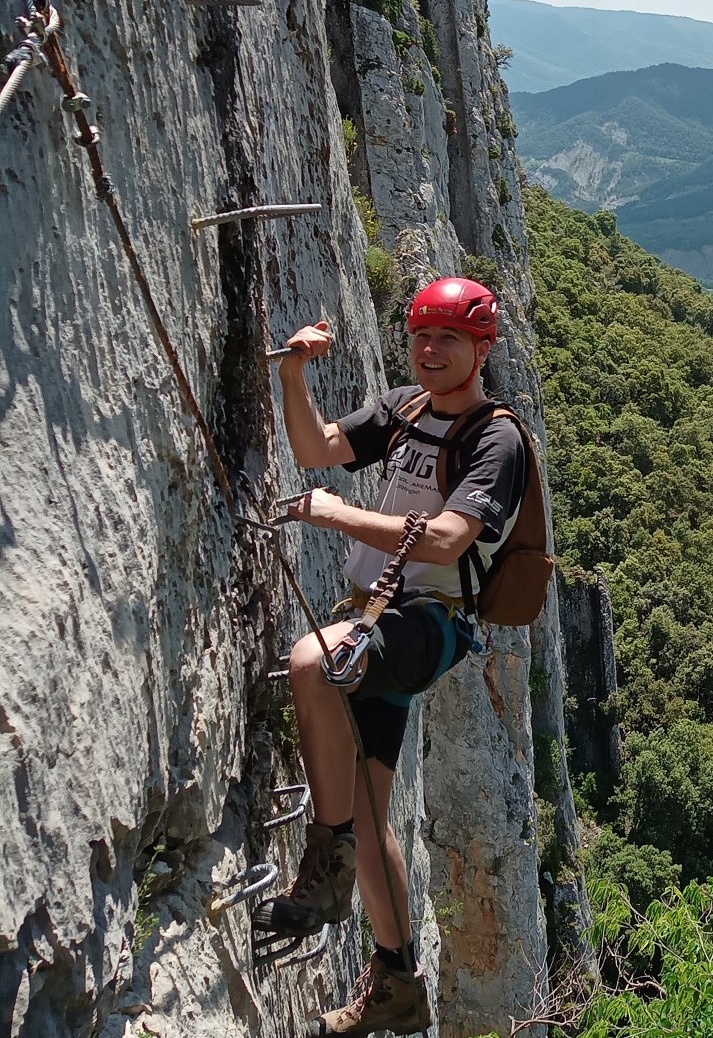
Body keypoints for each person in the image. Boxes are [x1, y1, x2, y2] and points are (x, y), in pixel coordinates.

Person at [257, 277, 529, 1038]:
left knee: (313, 664)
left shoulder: (494, 437)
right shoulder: (404, 409)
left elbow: (445, 539)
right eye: (421, 336)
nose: (431, 351)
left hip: (427, 622)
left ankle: (327, 861)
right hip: (375, 617)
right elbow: (317, 448)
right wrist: (293, 375)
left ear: (482, 349)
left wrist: (337, 512)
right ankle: (398, 981)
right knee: (376, 813)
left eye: (449, 339)